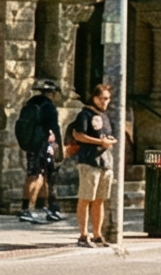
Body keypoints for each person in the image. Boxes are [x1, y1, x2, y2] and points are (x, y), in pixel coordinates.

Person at [68, 82, 115, 247]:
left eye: (107, 99)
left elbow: (105, 135)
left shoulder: (104, 116)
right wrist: (99, 142)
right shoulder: (85, 115)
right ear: (94, 98)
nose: (105, 102)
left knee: (99, 200)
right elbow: (78, 135)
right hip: (89, 161)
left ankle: (97, 234)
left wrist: (109, 141)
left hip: (104, 161)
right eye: (102, 98)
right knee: (86, 198)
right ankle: (83, 235)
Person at [14, 81, 62, 224]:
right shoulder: (49, 107)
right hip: (42, 144)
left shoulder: (31, 103)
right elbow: (53, 128)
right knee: (41, 176)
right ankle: (34, 208)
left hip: (31, 144)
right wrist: (58, 146)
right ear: (52, 94)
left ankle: (34, 207)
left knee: (35, 174)